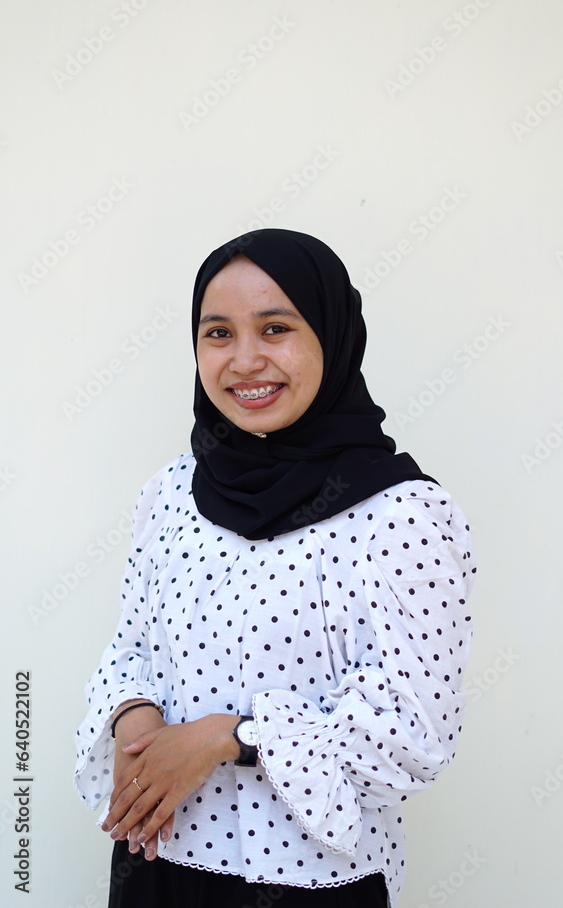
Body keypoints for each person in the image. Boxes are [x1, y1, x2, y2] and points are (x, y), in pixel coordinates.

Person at [74, 229, 475, 908]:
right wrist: (133, 715)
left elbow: (414, 737)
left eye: (276, 328)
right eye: (218, 333)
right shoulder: (173, 493)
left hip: (308, 883)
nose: (244, 360)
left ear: (332, 335)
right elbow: (132, 649)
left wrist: (228, 738)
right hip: (154, 865)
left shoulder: (400, 516)